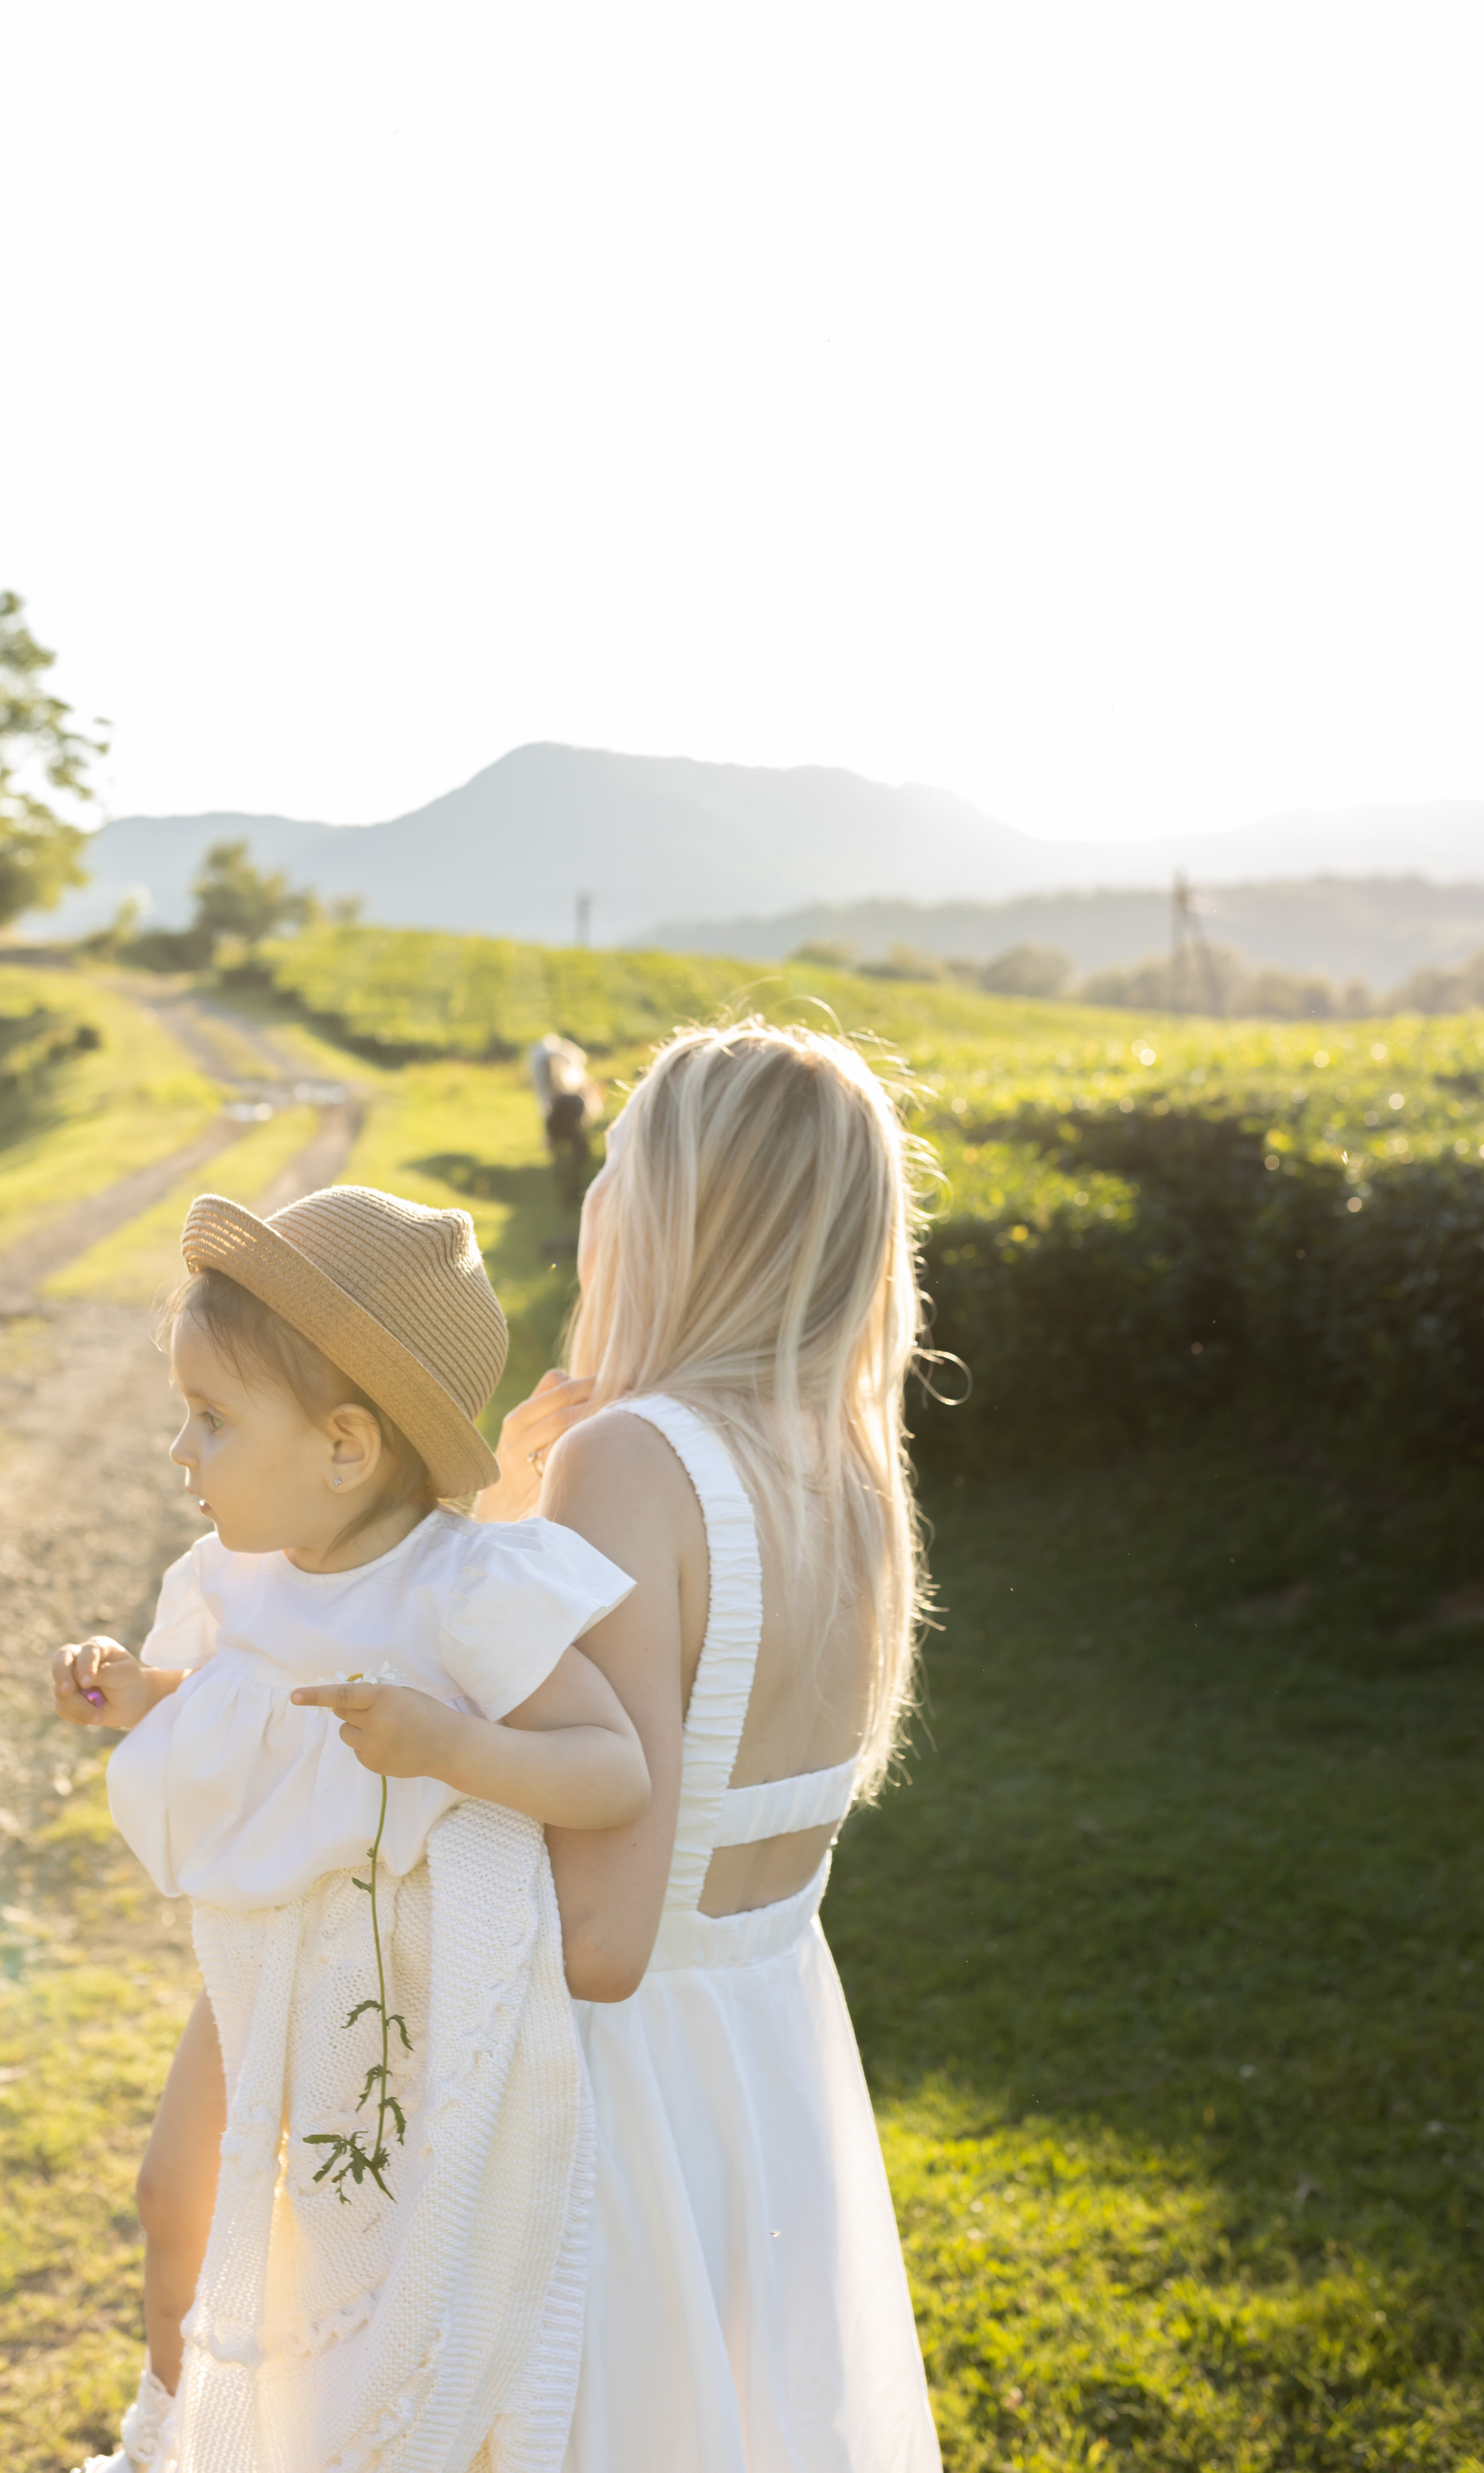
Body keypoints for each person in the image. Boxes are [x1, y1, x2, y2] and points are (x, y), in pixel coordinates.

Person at [49, 1184, 649, 2473]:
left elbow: (614, 1772)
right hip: (266, 1954)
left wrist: (450, 1747)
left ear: (343, 1447)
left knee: (369, 2250)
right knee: (173, 2192)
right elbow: (243, 1698)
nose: (180, 1448)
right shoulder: (243, 1576)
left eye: (211, 1416)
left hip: (401, 1986)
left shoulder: (463, 1588)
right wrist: (141, 1692)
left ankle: (365, 2443)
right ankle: (178, 2441)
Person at [477, 1019, 943, 2470]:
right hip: (760, 2063)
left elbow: (600, 1935)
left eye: (618, 1161)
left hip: (610, 2099)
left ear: (682, 1214)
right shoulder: (848, 1469)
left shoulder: (628, 1459)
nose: (593, 1193)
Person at [530, 1033, 602, 1204]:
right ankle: (573, 1192)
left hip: (561, 1128)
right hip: (571, 1130)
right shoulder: (574, 1095)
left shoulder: (554, 1100)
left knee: (563, 1162)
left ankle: (568, 1193)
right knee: (575, 1159)